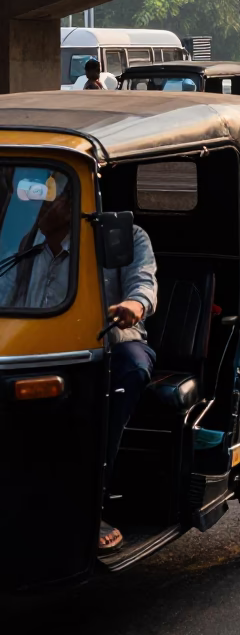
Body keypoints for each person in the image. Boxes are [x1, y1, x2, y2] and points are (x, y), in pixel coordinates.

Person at [0, 184, 157, 554]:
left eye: (48, 198)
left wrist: (134, 304)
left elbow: (144, 284)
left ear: (73, 202)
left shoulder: (125, 237)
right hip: (41, 350)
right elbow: (5, 292)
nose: (39, 208)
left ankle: (93, 505)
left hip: (111, 345)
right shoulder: (26, 244)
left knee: (131, 370)